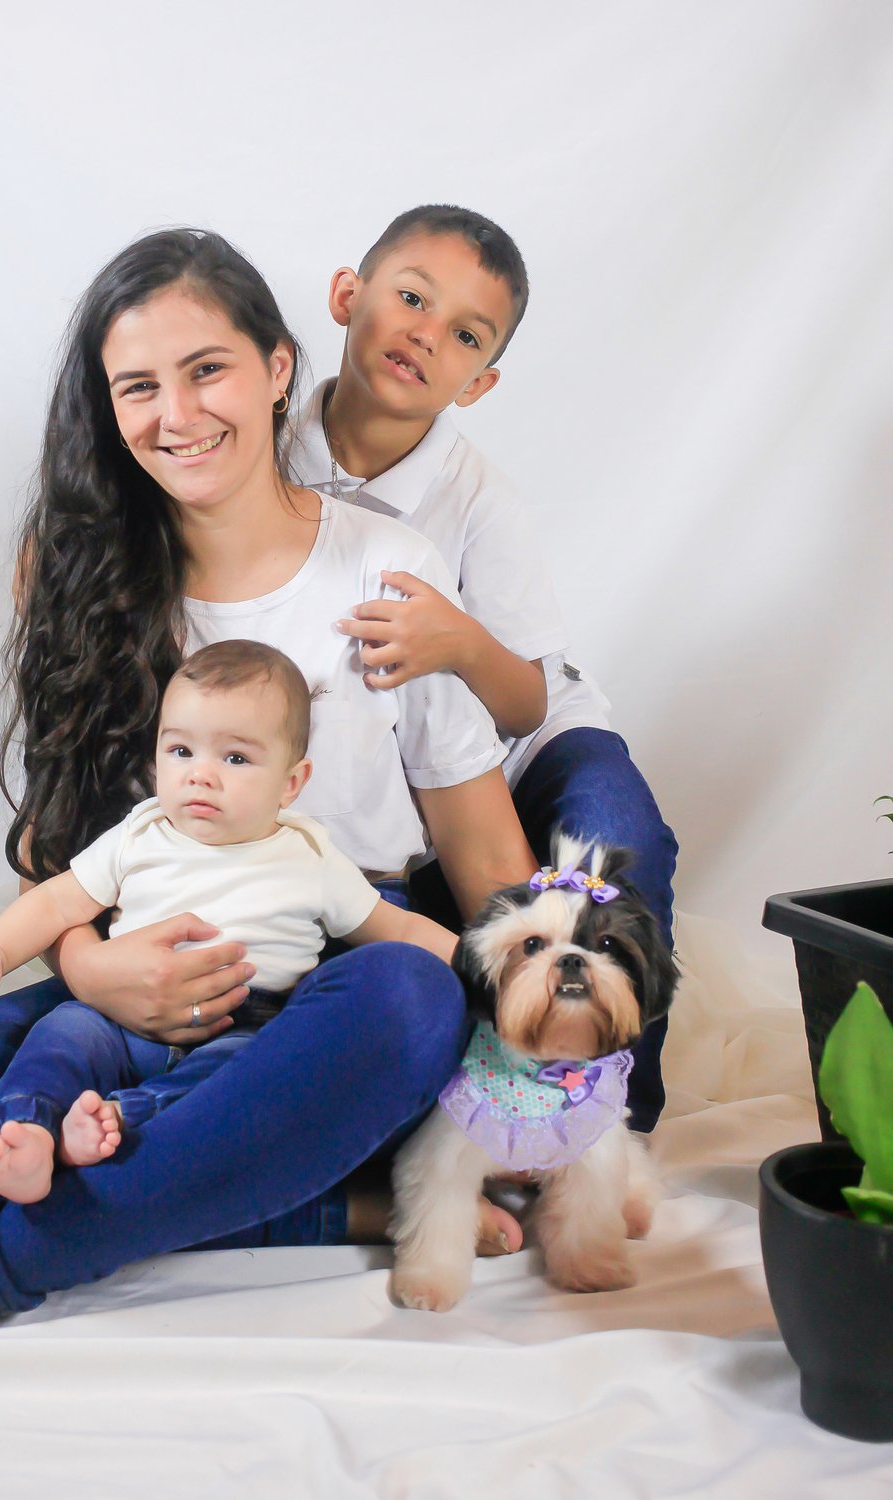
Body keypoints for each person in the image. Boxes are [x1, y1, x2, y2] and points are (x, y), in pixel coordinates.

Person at [0, 228, 536, 1333]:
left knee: (411, 997)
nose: (179, 414)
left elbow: (481, 844)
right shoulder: (77, 572)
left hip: (334, 980)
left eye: (208, 369)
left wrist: (532, 1046)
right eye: (139, 386)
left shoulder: (387, 570)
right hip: (134, 974)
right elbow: (56, 848)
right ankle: (314, 1199)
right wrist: (93, 967)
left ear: (278, 368)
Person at [288, 204, 678, 1132]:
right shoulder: (264, 448)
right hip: (410, 763)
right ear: (347, 297)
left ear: (480, 382)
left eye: (465, 335)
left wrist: (458, 640)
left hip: (531, 738)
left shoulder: (477, 498)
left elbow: (527, 700)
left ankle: (615, 1107)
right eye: (412, 298)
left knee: (618, 846)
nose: (427, 334)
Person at [0, 639, 458, 1206]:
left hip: (242, 1025)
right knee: (62, 1033)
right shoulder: (139, 834)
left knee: (245, 1076)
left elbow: (400, 930)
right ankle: (28, 1134)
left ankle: (123, 1118)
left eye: (235, 758)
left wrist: (485, 963)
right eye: (181, 751)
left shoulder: (310, 857)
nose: (200, 775)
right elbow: (55, 904)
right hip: (119, 1019)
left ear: (291, 782)